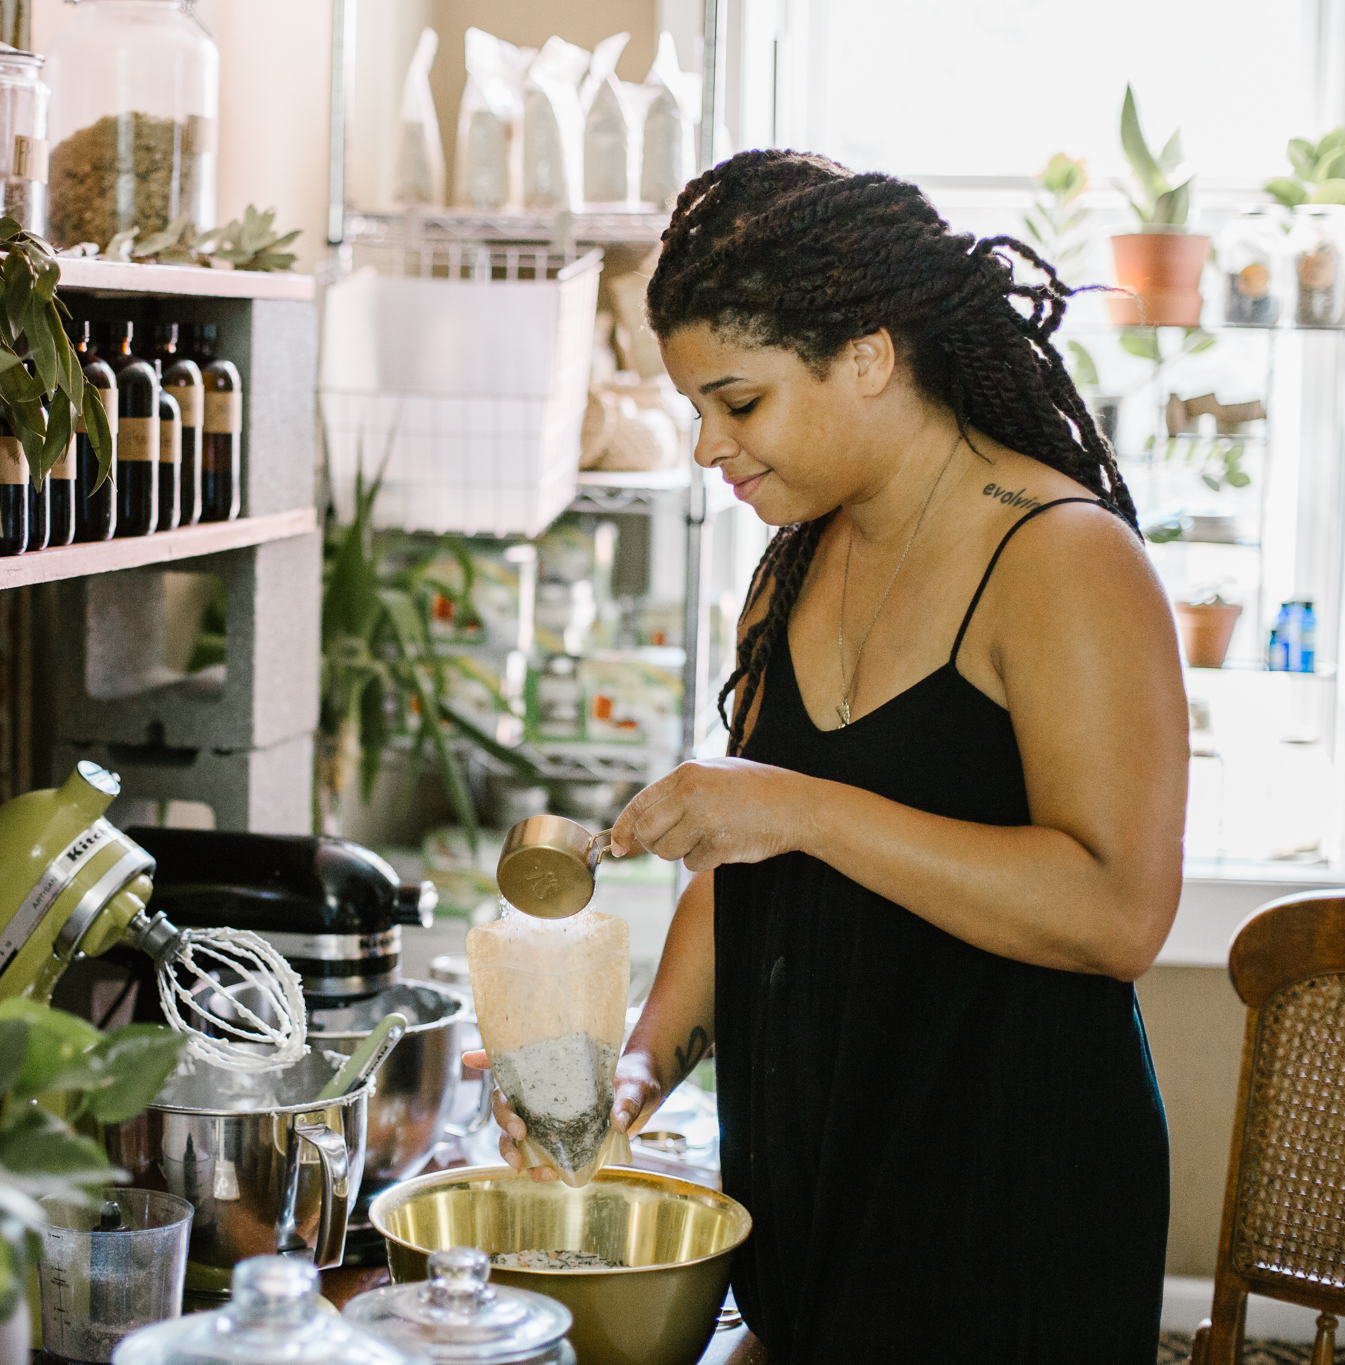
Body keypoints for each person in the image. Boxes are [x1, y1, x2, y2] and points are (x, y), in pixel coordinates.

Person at [467, 152, 1185, 1363]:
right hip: (811, 1183)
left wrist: (797, 808)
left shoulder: (1064, 561)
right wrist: (634, 1076)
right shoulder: (791, 570)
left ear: (865, 353)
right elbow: (734, 866)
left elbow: (1116, 912)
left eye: (736, 403)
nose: (706, 448)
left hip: (1004, 1199)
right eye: (697, 408)